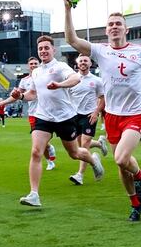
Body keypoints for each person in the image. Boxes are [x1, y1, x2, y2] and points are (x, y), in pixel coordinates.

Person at [64, 0, 141, 222]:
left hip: (135, 114)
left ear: (126, 29)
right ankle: (135, 203)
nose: (114, 27)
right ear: (106, 29)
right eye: (110, 24)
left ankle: (139, 177)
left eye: (118, 23)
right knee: (122, 167)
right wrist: (68, 9)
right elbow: (71, 39)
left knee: (121, 159)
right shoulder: (100, 51)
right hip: (111, 115)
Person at [8, 36, 103, 206]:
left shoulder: (60, 67)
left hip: (64, 117)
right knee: (36, 152)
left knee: (74, 153)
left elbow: (76, 79)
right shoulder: (36, 72)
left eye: (46, 48)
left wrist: (59, 85)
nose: (43, 51)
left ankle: (93, 159)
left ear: (53, 50)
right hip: (43, 116)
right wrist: (20, 96)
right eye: (40, 49)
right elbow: (33, 94)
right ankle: (34, 194)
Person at [68, 54, 109, 184]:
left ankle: (80, 175)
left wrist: (96, 112)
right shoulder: (71, 80)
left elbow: (102, 98)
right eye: (81, 61)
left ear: (90, 63)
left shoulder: (96, 80)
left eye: (86, 61)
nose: (83, 63)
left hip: (89, 115)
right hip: (75, 115)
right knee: (79, 146)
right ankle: (99, 144)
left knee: (84, 145)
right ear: (77, 63)